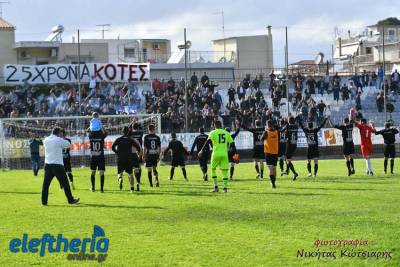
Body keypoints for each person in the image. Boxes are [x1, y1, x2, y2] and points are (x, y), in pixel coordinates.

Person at [41, 127, 79, 206]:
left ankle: (44, 202)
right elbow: (68, 145)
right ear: (59, 133)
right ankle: (70, 200)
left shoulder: (46, 139)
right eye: (61, 133)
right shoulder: (59, 139)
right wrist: (62, 138)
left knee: (45, 185)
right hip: (57, 165)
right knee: (65, 184)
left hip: (47, 165)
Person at [198, 120, 233, 193]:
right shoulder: (226, 133)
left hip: (216, 154)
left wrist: (201, 150)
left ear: (214, 125)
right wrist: (234, 153)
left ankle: (216, 186)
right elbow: (232, 144)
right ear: (221, 125)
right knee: (224, 171)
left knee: (213, 169)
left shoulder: (212, 132)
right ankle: (225, 188)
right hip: (224, 154)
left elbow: (207, 142)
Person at [112, 126, 142, 193]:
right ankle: (132, 189)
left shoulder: (119, 139)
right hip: (129, 158)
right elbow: (138, 148)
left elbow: (112, 147)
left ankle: (120, 179)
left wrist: (117, 152)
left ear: (122, 132)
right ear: (128, 132)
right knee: (130, 174)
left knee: (120, 173)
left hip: (120, 158)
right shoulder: (130, 139)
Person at [262, 120, 279, 188]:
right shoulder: (276, 132)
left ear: (267, 125)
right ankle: (274, 182)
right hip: (275, 152)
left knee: (270, 168)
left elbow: (261, 138)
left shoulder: (266, 132)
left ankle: (273, 183)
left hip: (268, 152)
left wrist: (265, 130)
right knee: (274, 168)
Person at [129, 121, 144, 185]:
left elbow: (129, 129)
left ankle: (133, 180)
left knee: (131, 167)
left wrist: (131, 123)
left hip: (132, 151)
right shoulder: (140, 133)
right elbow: (141, 128)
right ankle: (138, 180)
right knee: (139, 166)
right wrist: (136, 123)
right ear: (138, 127)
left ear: (132, 127)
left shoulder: (131, 133)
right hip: (139, 150)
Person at [284, 116, 300, 180]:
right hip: (294, 144)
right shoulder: (296, 126)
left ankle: (294, 173)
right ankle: (287, 170)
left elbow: (285, 136)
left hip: (289, 144)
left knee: (287, 160)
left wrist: (285, 125)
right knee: (288, 158)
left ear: (289, 121)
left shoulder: (288, 127)